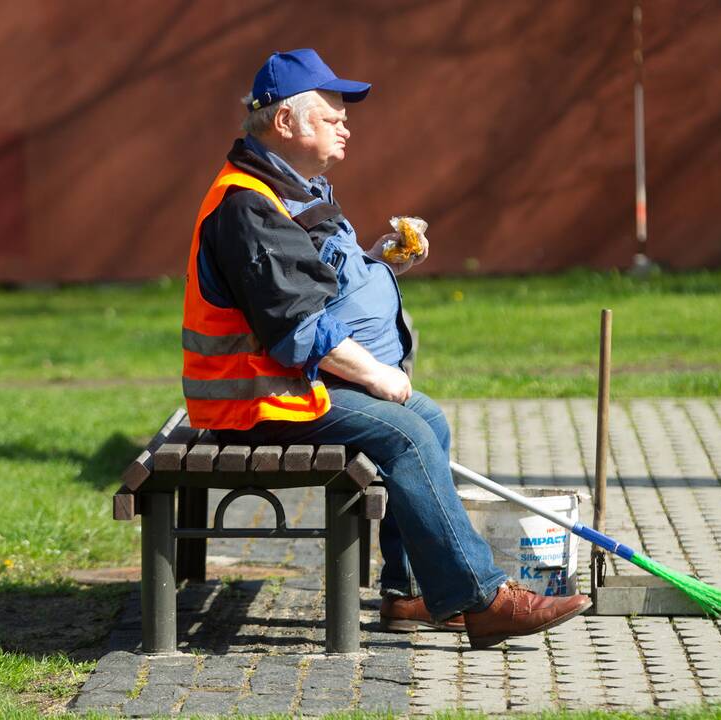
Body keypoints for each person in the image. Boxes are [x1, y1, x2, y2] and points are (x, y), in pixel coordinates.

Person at [181, 48, 591, 649]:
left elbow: (314, 282)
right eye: (331, 114)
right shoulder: (247, 205)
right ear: (284, 122)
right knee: (406, 433)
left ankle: (408, 595)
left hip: (288, 386)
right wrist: (375, 374)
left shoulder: (292, 187)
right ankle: (483, 599)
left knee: (425, 417)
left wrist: (375, 260)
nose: (346, 123)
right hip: (256, 403)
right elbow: (297, 327)